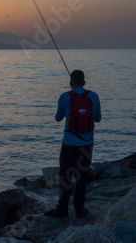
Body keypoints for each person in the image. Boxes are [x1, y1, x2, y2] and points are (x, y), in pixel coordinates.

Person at [45, 70, 102, 219]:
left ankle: (62, 209)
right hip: (87, 145)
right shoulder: (93, 96)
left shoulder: (65, 97)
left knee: (65, 176)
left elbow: (58, 118)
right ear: (84, 82)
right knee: (81, 177)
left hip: (69, 143)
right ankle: (80, 210)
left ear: (70, 83)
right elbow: (98, 118)